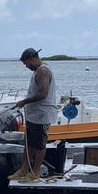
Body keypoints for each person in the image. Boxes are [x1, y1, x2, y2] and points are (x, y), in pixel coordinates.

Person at [10, 48, 58, 181]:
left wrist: (25, 101)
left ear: (33, 59)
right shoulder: (37, 71)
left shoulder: (43, 71)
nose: (26, 66)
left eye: (27, 63)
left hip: (42, 114)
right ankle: (24, 170)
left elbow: (43, 94)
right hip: (34, 114)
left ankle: (35, 173)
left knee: (39, 144)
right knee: (28, 143)